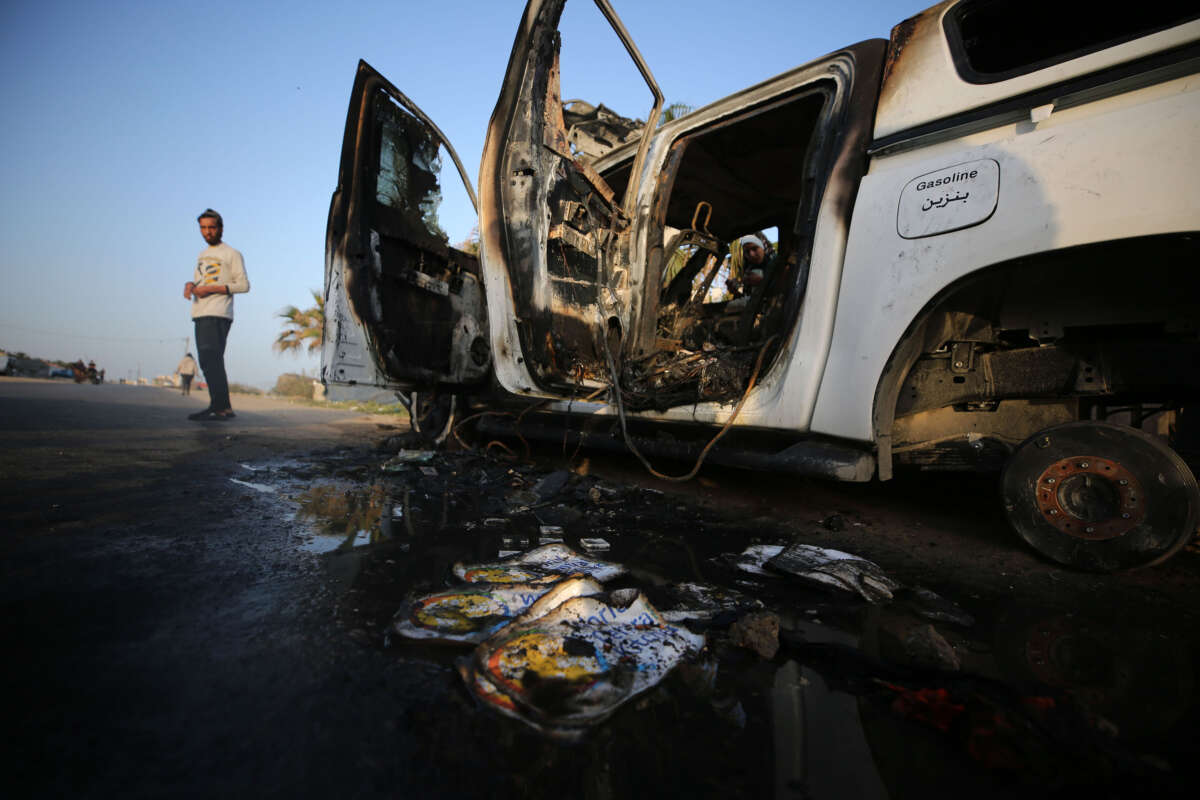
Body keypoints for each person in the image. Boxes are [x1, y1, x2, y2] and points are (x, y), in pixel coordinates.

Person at [184, 209, 249, 421]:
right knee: (206, 360)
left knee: (211, 357)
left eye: (211, 227)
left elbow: (243, 285)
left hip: (218, 312)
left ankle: (222, 408)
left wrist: (212, 290)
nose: (207, 232)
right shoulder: (202, 255)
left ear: (220, 228)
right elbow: (202, 281)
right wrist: (191, 285)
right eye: (203, 228)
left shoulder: (232, 254)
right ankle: (218, 406)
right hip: (200, 311)